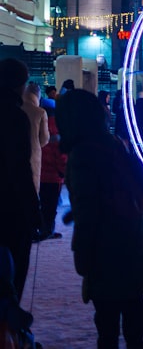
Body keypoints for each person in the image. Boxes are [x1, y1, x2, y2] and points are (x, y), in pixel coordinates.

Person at [58, 89, 143, 349]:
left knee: (107, 316)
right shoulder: (112, 142)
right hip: (131, 232)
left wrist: (82, 250)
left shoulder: (82, 153)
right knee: (132, 303)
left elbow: (90, 208)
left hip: (104, 241)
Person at [0, 58, 40, 302]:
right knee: (13, 274)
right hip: (10, 208)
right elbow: (19, 168)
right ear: (20, 85)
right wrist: (34, 211)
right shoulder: (15, 117)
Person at [39, 97, 68, 241]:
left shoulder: (37, 124)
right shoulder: (57, 128)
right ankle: (48, 230)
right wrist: (63, 171)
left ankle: (42, 228)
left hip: (40, 171)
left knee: (42, 202)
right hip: (53, 175)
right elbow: (60, 153)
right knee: (51, 205)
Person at [22, 81, 50, 195]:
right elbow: (44, 139)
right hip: (33, 155)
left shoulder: (15, 108)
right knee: (31, 191)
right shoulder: (40, 112)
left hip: (13, 155)